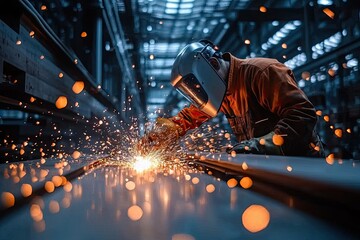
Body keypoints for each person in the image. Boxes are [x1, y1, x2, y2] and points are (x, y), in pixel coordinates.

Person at [138, 40, 324, 157]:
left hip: (302, 163)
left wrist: (262, 145)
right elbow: (188, 118)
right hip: (267, 166)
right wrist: (161, 135)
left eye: (197, 87)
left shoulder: (262, 73)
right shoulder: (219, 91)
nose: (198, 93)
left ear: (212, 64)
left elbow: (303, 115)